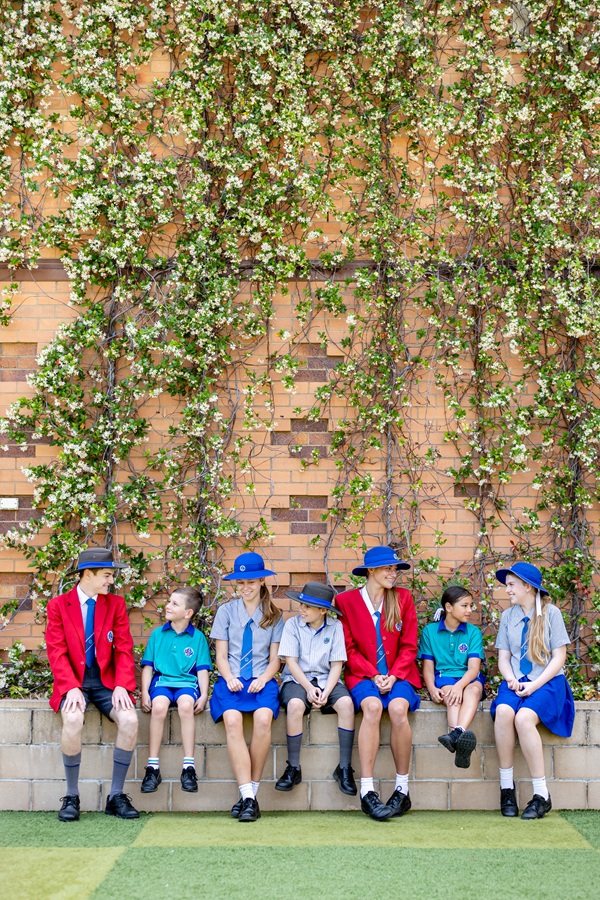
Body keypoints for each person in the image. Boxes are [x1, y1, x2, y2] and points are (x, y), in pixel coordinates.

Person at [45, 548, 139, 821]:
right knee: (73, 719)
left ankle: (116, 796)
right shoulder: (58, 605)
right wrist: (70, 686)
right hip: (73, 680)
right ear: (88, 574)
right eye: (107, 575)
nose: (111, 580)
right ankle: (71, 796)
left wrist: (122, 684)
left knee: (130, 720)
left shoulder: (115, 604)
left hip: (106, 681)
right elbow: (56, 651)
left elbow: (124, 648)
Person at [334, 545, 421, 821]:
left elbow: (409, 645)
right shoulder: (346, 602)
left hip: (400, 674)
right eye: (388, 568)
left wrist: (393, 675)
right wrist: (373, 674)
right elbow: (348, 648)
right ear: (371, 570)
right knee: (371, 708)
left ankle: (402, 790)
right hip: (363, 675)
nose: (393, 573)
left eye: (395, 569)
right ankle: (367, 791)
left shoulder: (403, 598)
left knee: (397, 709)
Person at [491, 561, 575, 819]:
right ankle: (507, 789)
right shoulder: (508, 616)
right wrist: (511, 679)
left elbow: (559, 657)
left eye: (512, 585)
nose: (507, 590)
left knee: (524, 718)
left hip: (547, 682)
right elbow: (504, 658)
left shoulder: (552, 614)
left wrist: (534, 685)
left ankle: (541, 794)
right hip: (516, 679)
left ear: (528, 586)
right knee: (504, 712)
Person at [210, 551, 284, 822]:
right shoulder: (226, 612)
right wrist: (229, 677)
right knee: (232, 720)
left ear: (262, 581)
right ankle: (249, 797)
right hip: (232, 680)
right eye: (240, 583)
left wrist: (263, 679)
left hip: (261, 680)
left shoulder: (275, 616)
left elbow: (276, 658)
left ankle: (249, 795)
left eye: (251, 581)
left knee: (263, 719)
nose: (245, 587)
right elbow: (220, 655)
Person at [275, 581, 356, 796]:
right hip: (297, 680)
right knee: (294, 705)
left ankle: (344, 768)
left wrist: (326, 692)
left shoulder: (335, 627)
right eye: (301, 604)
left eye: (307, 606)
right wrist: (309, 689)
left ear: (323, 611)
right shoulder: (292, 625)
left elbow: (337, 665)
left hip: (327, 679)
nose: (301, 609)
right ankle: (293, 767)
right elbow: (291, 663)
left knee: (347, 704)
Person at [140, 587, 211, 793]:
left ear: (188, 613)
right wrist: (145, 692)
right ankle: (152, 768)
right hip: (162, 683)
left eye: (174, 604)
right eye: (169, 602)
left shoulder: (197, 638)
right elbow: (148, 667)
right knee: (159, 707)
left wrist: (204, 695)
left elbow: (202, 670)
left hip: (187, 684)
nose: (168, 606)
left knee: (186, 706)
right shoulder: (157, 634)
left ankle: (188, 767)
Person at [418, 585, 485, 768]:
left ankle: (455, 734)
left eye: (470, 605)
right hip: (445, 677)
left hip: (468, 678)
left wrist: (460, 686)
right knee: (452, 697)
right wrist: (432, 688)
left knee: (473, 691)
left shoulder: (473, 632)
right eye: (464, 606)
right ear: (448, 607)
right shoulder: (430, 632)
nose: (469, 610)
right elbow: (428, 668)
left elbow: (473, 669)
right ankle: (460, 742)